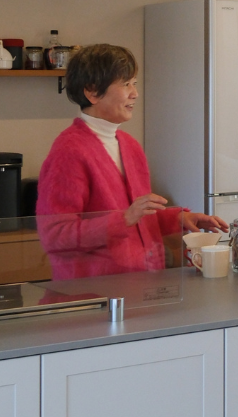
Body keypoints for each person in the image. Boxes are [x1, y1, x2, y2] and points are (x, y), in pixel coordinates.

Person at [36, 43, 226, 277]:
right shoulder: (69, 151)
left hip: (141, 284)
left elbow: (137, 217)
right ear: (92, 92)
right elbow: (55, 236)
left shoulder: (129, 145)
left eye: (134, 83)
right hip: (96, 293)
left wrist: (178, 218)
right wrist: (124, 218)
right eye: (126, 84)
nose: (135, 93)